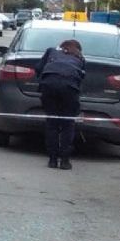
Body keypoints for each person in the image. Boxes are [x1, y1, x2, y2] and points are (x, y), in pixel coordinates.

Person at [35, 39, 86, 170]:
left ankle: (52, 160)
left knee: (52, 123)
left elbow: (38, 69)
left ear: (62, 47)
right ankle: (64, 161)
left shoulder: (51, 51)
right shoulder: (80, 58)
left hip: (49, 86)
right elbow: (80, 79)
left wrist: (44, 81)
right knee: (68, 124)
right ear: (78, 50)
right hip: (69, 88)